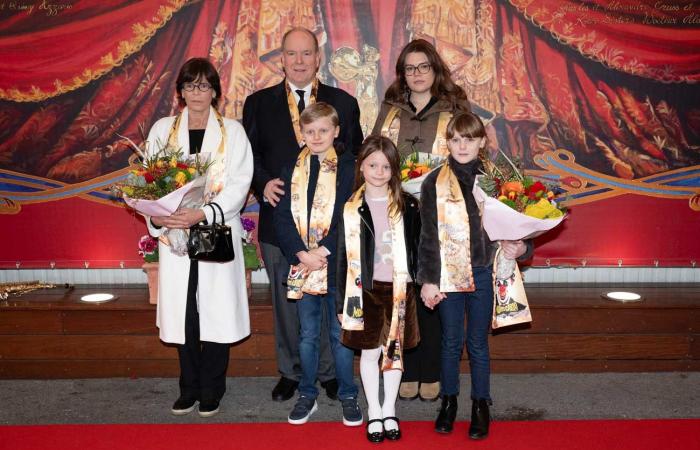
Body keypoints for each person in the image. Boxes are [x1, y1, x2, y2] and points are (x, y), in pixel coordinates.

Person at [242, 27, 364, 403]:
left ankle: (327, 373)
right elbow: (249, 157)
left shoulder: (342, 102)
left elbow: (357, 159)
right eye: (292, 54)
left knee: (330, 302)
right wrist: (262, 184)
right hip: (281, 225)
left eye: (306, 54)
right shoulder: (258, 103)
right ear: (281, 58)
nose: (299, 61)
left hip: (332, 234)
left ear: (318, 57)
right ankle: (291, 372)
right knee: (287, 303)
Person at [145, 57, 253, 417]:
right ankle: (187, 387)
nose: (197, 93)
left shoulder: (232, 132)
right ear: (180, 92)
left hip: (214, 232)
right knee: (185, 313)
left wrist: (203, 213)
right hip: (175, 233)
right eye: (190, 85)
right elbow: (151, 182)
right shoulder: (162, 130)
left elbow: (239, 184)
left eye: (204, 86)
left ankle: (212, 388)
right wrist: (167, 217)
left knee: (215, 311)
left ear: (215, 92)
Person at [417, 112, 532, 439]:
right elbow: (426, 237)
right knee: (451, 342)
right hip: (449, 277)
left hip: (485, 273)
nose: (462, 145)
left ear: (482, 141)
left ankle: (481, 404)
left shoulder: (499, 179)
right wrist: (428, 279)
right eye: (455, 139)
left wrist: (522, 248)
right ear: (447, 142)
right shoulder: (432, 182)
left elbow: (521, 225)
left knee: (478, 344)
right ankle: (449, 401)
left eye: (469, 138)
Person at [371, 38, 471, 402]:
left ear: (435, 69)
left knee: (434, 287)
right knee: (404, 290)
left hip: (441, 212)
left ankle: (432, 369)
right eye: (409, 68)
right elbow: (376, 152)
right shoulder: (391, 108)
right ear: (402, 74)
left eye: (423, 67)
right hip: (397, 211)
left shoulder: (454, 106)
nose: (416, 74)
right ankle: (408, 368)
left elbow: (470, 151)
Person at [273, 102, 361, 426]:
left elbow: (348, 214)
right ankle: (307, 394)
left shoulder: (350, 167)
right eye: (310, 131)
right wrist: (300, 253)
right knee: (307, 334)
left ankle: (349, 395)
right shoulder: (292, 167)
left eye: (323, 130)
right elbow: (281, 216)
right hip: (303, 263)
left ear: (336, 131)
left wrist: (322, 251)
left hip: (335, 263)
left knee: (340, 334)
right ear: (302, 133)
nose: (316, 136)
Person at [336, 135, 421, 443]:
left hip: (400, 289)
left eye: (386, 166)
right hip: (365, 291)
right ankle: (373, 411)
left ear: (394, 169)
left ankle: (389, 410)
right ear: (362, 166)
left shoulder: (409, 204)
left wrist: (423, 281)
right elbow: (342, 259)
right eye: (372, 165)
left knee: (394, 354)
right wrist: (339, 302)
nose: (379, 171)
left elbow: (419, 248)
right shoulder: (350, 208)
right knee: (370, 354)